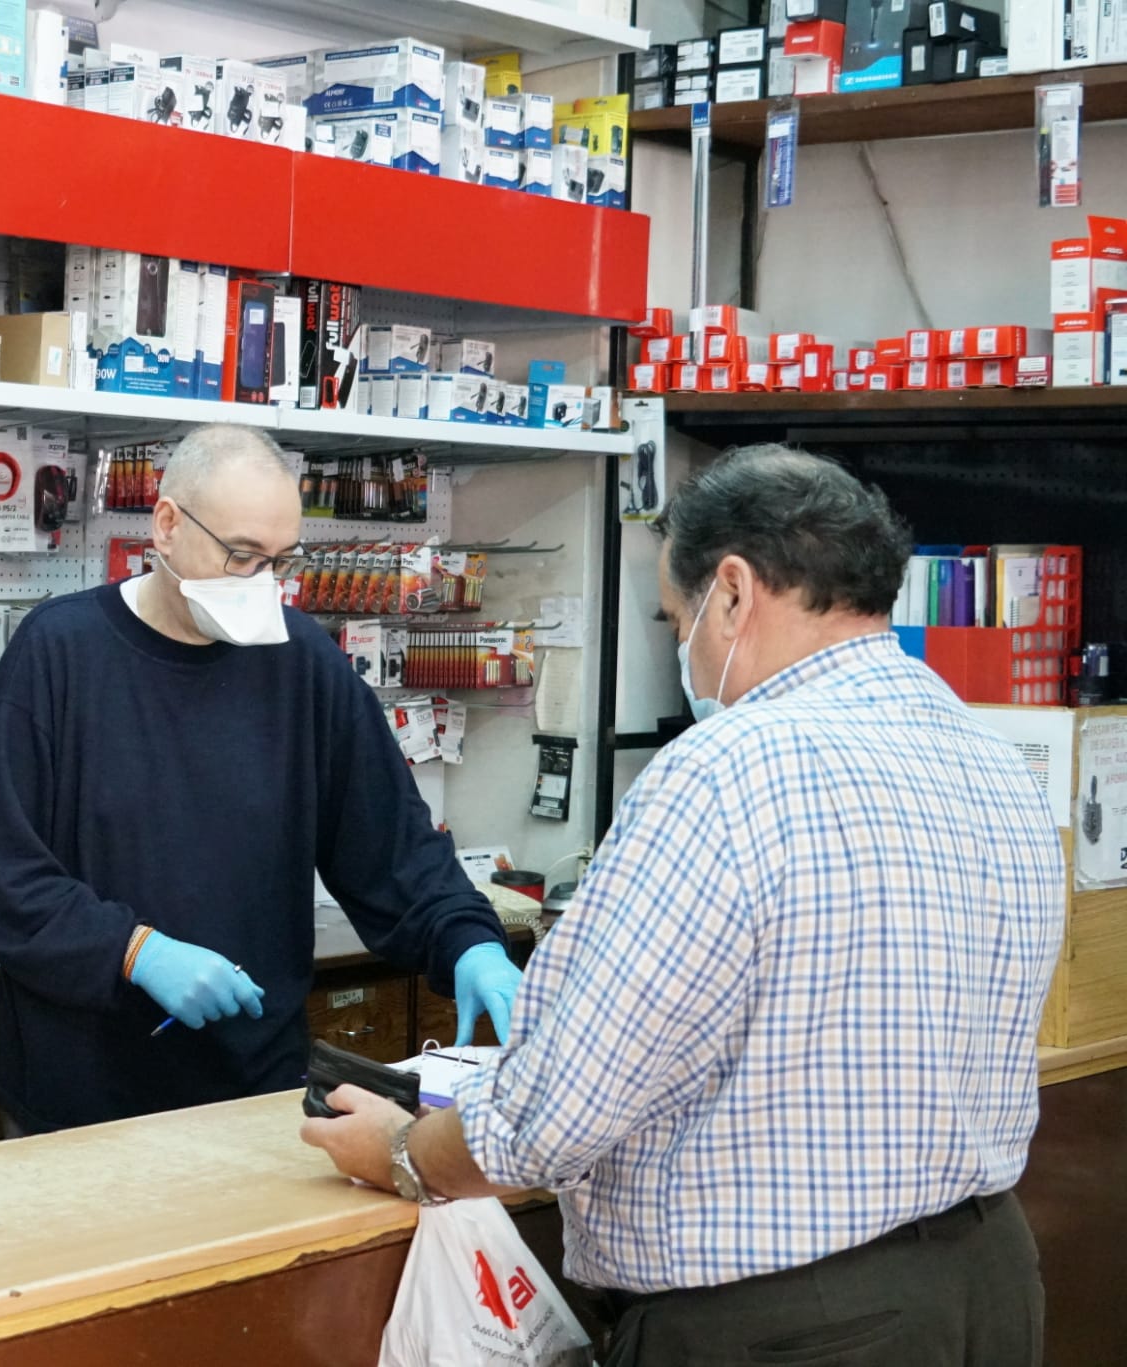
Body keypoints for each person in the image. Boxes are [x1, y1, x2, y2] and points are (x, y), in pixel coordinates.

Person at [302, 445, 1061, 1365]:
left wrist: (406, 1151)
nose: (686, 645)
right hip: (990, 1282)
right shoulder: (992, 760)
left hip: (794, 1326)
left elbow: (556, 1115)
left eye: (676, 615)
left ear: (733, 592)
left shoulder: (725, 771)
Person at [0, 423, 521, 1137]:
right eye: (242, 556)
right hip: (78, 1099)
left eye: (280, 561)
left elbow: (392, 850)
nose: (263, 584)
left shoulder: (304, 664)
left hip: (254, 1089)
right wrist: (134, 950)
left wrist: (469, 941)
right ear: (166, 525)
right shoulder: (59, 655)